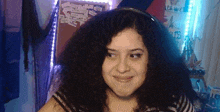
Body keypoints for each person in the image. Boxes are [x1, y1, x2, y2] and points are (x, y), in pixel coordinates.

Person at [39, 7, 198, 112]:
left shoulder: (173, 102)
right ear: (95, 58)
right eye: (110, 54)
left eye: (135, 55)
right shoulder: (73, 99)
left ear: (154, 59)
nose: (122, 68)